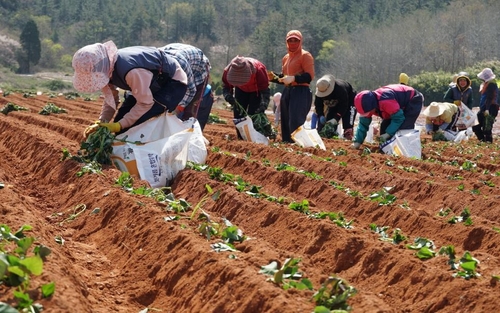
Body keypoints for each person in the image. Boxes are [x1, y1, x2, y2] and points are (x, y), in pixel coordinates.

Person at [72, 41, 188, 137]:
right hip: (147, 84)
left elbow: (144, 104)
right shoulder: (106, 70)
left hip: (171, 84)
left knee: (133, 126)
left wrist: (119, 126)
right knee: (122, 120)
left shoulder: (131, 71)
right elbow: (111, 98)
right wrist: (102, 122)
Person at [268, 30, 315, 143]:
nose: (293, 43)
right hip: (288, 91)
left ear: (300, 41)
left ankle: (298, 145)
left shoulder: (305, 56)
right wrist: (274, 77)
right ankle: (287, 144)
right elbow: (285, 78)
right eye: (290, 40)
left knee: (295, 121)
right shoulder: (286, 58)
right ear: (286, 42)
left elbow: (309, 76)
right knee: (285, 121)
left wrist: (294, 78)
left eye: (296, 40)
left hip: (300, 92)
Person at [352, 84, 424, 149]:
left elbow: (398, 118)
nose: (368, 114)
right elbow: (363, 124)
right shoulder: (369, 105)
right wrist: (357, 142)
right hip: (396, 107)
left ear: (374, 106)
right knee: (384, 129)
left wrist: (388, 134)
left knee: (403, 128)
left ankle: (408, 150)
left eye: (369, 112)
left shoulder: (385, 100)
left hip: (412, 99)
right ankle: (389, 150)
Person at [159, 43, 211, 121]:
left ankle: (187, 129)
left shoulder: (180, 65)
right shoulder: (153, 61)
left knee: (189, 112)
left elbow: (191, 90)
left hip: (199, 69)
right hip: (178, 53)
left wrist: (178, 108)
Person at [313, 74, 357, 140]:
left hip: (349, 101)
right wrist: (321, 115)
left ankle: (348, 137)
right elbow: (318, 105)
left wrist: (336, 118)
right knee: (328, 124)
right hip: (333, 103)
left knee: (348, 124)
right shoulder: (320, 91)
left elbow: (344, 105)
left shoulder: (340, 89)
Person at [472, 68, 499, 143]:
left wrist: (487, 109)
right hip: (484, 108)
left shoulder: (492, 85)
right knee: (476, 125)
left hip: (490, 108)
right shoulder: (486, 84)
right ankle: (483, 141)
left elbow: (490, 98)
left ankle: (488, 143)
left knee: (487, 128)